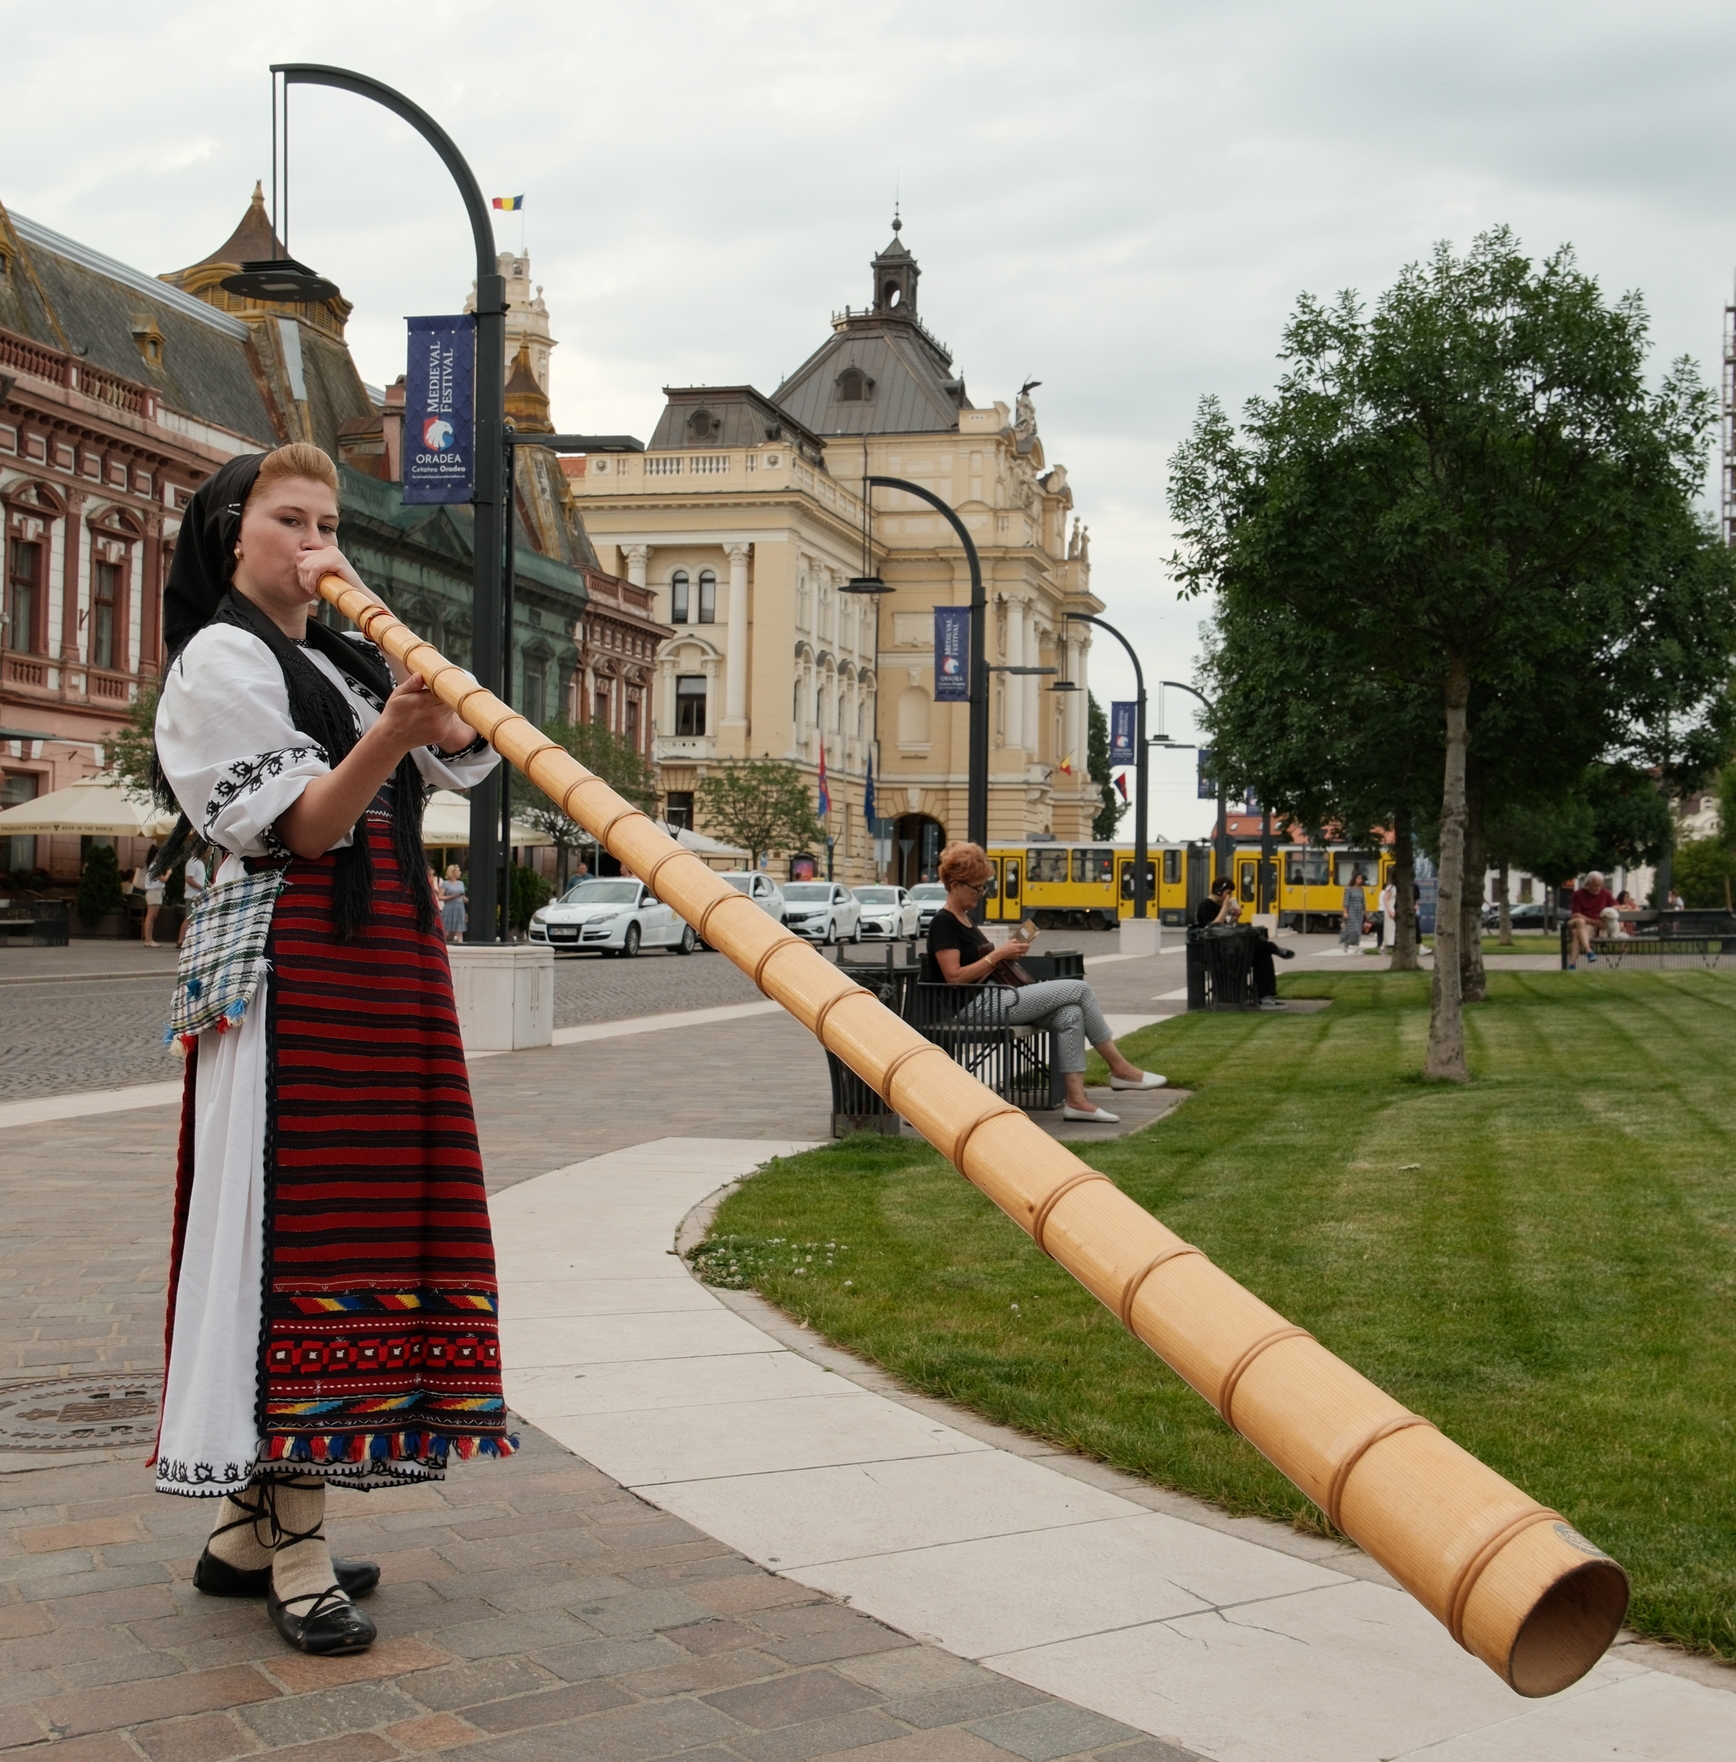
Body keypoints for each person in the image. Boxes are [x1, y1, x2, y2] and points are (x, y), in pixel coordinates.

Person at [151, 444, 514, 1659]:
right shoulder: (219, 662)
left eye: (328, 522)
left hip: (385, 961)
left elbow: (458, 757)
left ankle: (248, 1532)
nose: (316, 542)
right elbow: (307, 826)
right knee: (300, 1224)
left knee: (374, 1216)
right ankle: (293, 1543)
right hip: (297, 967)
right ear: (229, 538)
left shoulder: (340, 658)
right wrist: (390, 729)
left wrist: (418, 685)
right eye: (289, 520)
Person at [924, 842, 1164, 1123]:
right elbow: (954, 977)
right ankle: (1120, 1069)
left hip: (993, 997)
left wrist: (1007, 952)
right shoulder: (944, 922)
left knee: (1070, 1014)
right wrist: (998, 954)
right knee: (1080, 989)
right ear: (954, 885)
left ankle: (1076, 1101)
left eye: (982, 887)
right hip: (974, 1007)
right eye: (977, 888)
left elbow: (977, 967)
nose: (981, 894)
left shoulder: (964, 919)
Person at [1196, 876, 1294, 1009]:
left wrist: (1234, 919)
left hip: (1227, 949)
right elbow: (1212, 929)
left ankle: (1266, 997)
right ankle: (1275, 949)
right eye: (1228, 893)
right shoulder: (1205, 906)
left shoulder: (1219, 906)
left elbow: (1224, 929)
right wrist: (1225, 908)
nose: (1229, 897)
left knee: (1263, 955)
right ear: (1219, 891)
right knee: (1255, 941)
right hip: (1217, 954)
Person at [1565, 869, 1619, 969]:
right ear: (1588, 883)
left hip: (1588, 928)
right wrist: (1594, 922)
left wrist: (1607, 912)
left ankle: (1572, 965)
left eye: (1600, 885)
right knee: (1580, 922)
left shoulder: (1605, 894)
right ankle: (1589, 951)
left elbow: (1616, 906)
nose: (1598, 888)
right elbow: (1576, 914)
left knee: (1576, 933)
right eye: (1595, 885)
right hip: (1576, 922)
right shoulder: (1578, 894)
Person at [178, 845, 209, 947]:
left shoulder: (200, 863)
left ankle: (187, 939)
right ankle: (181, 940)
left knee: (193, 918)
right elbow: (189, 879)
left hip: (198, 896)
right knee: (189, 918)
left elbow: (202, 879)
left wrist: (210, 885)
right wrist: (201, 888)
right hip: (192, 895)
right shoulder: (192, 862)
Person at [1339, 869, 1367, 954]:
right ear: (1354, 879)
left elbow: (1363, 901)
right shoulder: (1349, 889)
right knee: (1351, 929)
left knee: (1358, 930)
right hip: (1351, 911)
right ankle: (1346, 943)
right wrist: (1345, 912)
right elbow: (1346, 901)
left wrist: (1364, 911)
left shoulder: (1361, 889)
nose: (1360, 880)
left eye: (1361, 878)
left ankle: (1356, 945)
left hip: (1359, 912)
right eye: (1358, 878)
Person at [440, 864, 468, 943]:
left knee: (459, 930)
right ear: (452, 872)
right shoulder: (445, 884)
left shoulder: (461, 883)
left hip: (460, 907)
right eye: (458, 871)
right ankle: (442, 946)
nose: (460, 872)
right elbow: (440, 897)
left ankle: (460, 945)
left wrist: (467, 899)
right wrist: (450, 897)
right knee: (446, 931)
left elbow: (462, 896)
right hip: (449, 907)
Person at [1376, 874, 1397, 952]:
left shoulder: (1397, 887)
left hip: (1395, 907)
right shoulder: (1390, 887)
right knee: (1389, 926)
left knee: (1393, 927)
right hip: (1390, 907)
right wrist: (1389, 910)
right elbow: (1385, 899)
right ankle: (1388, 943)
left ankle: (1386, 944)